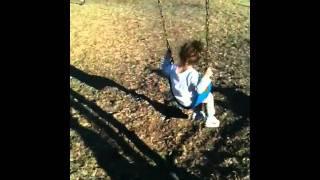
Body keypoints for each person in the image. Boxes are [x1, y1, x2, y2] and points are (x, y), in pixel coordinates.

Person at [160, 40, 220, 127]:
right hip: (189, 102)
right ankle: (210, 119)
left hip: (179, 99)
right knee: (209, 96)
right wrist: (207, 76)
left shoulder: (172, 68)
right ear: (196, 61)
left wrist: (167, 57)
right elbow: (200, 90)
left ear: (180, 54)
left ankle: (198, 114)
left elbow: (164, 68)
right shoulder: (192, 74)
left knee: (193, 92)